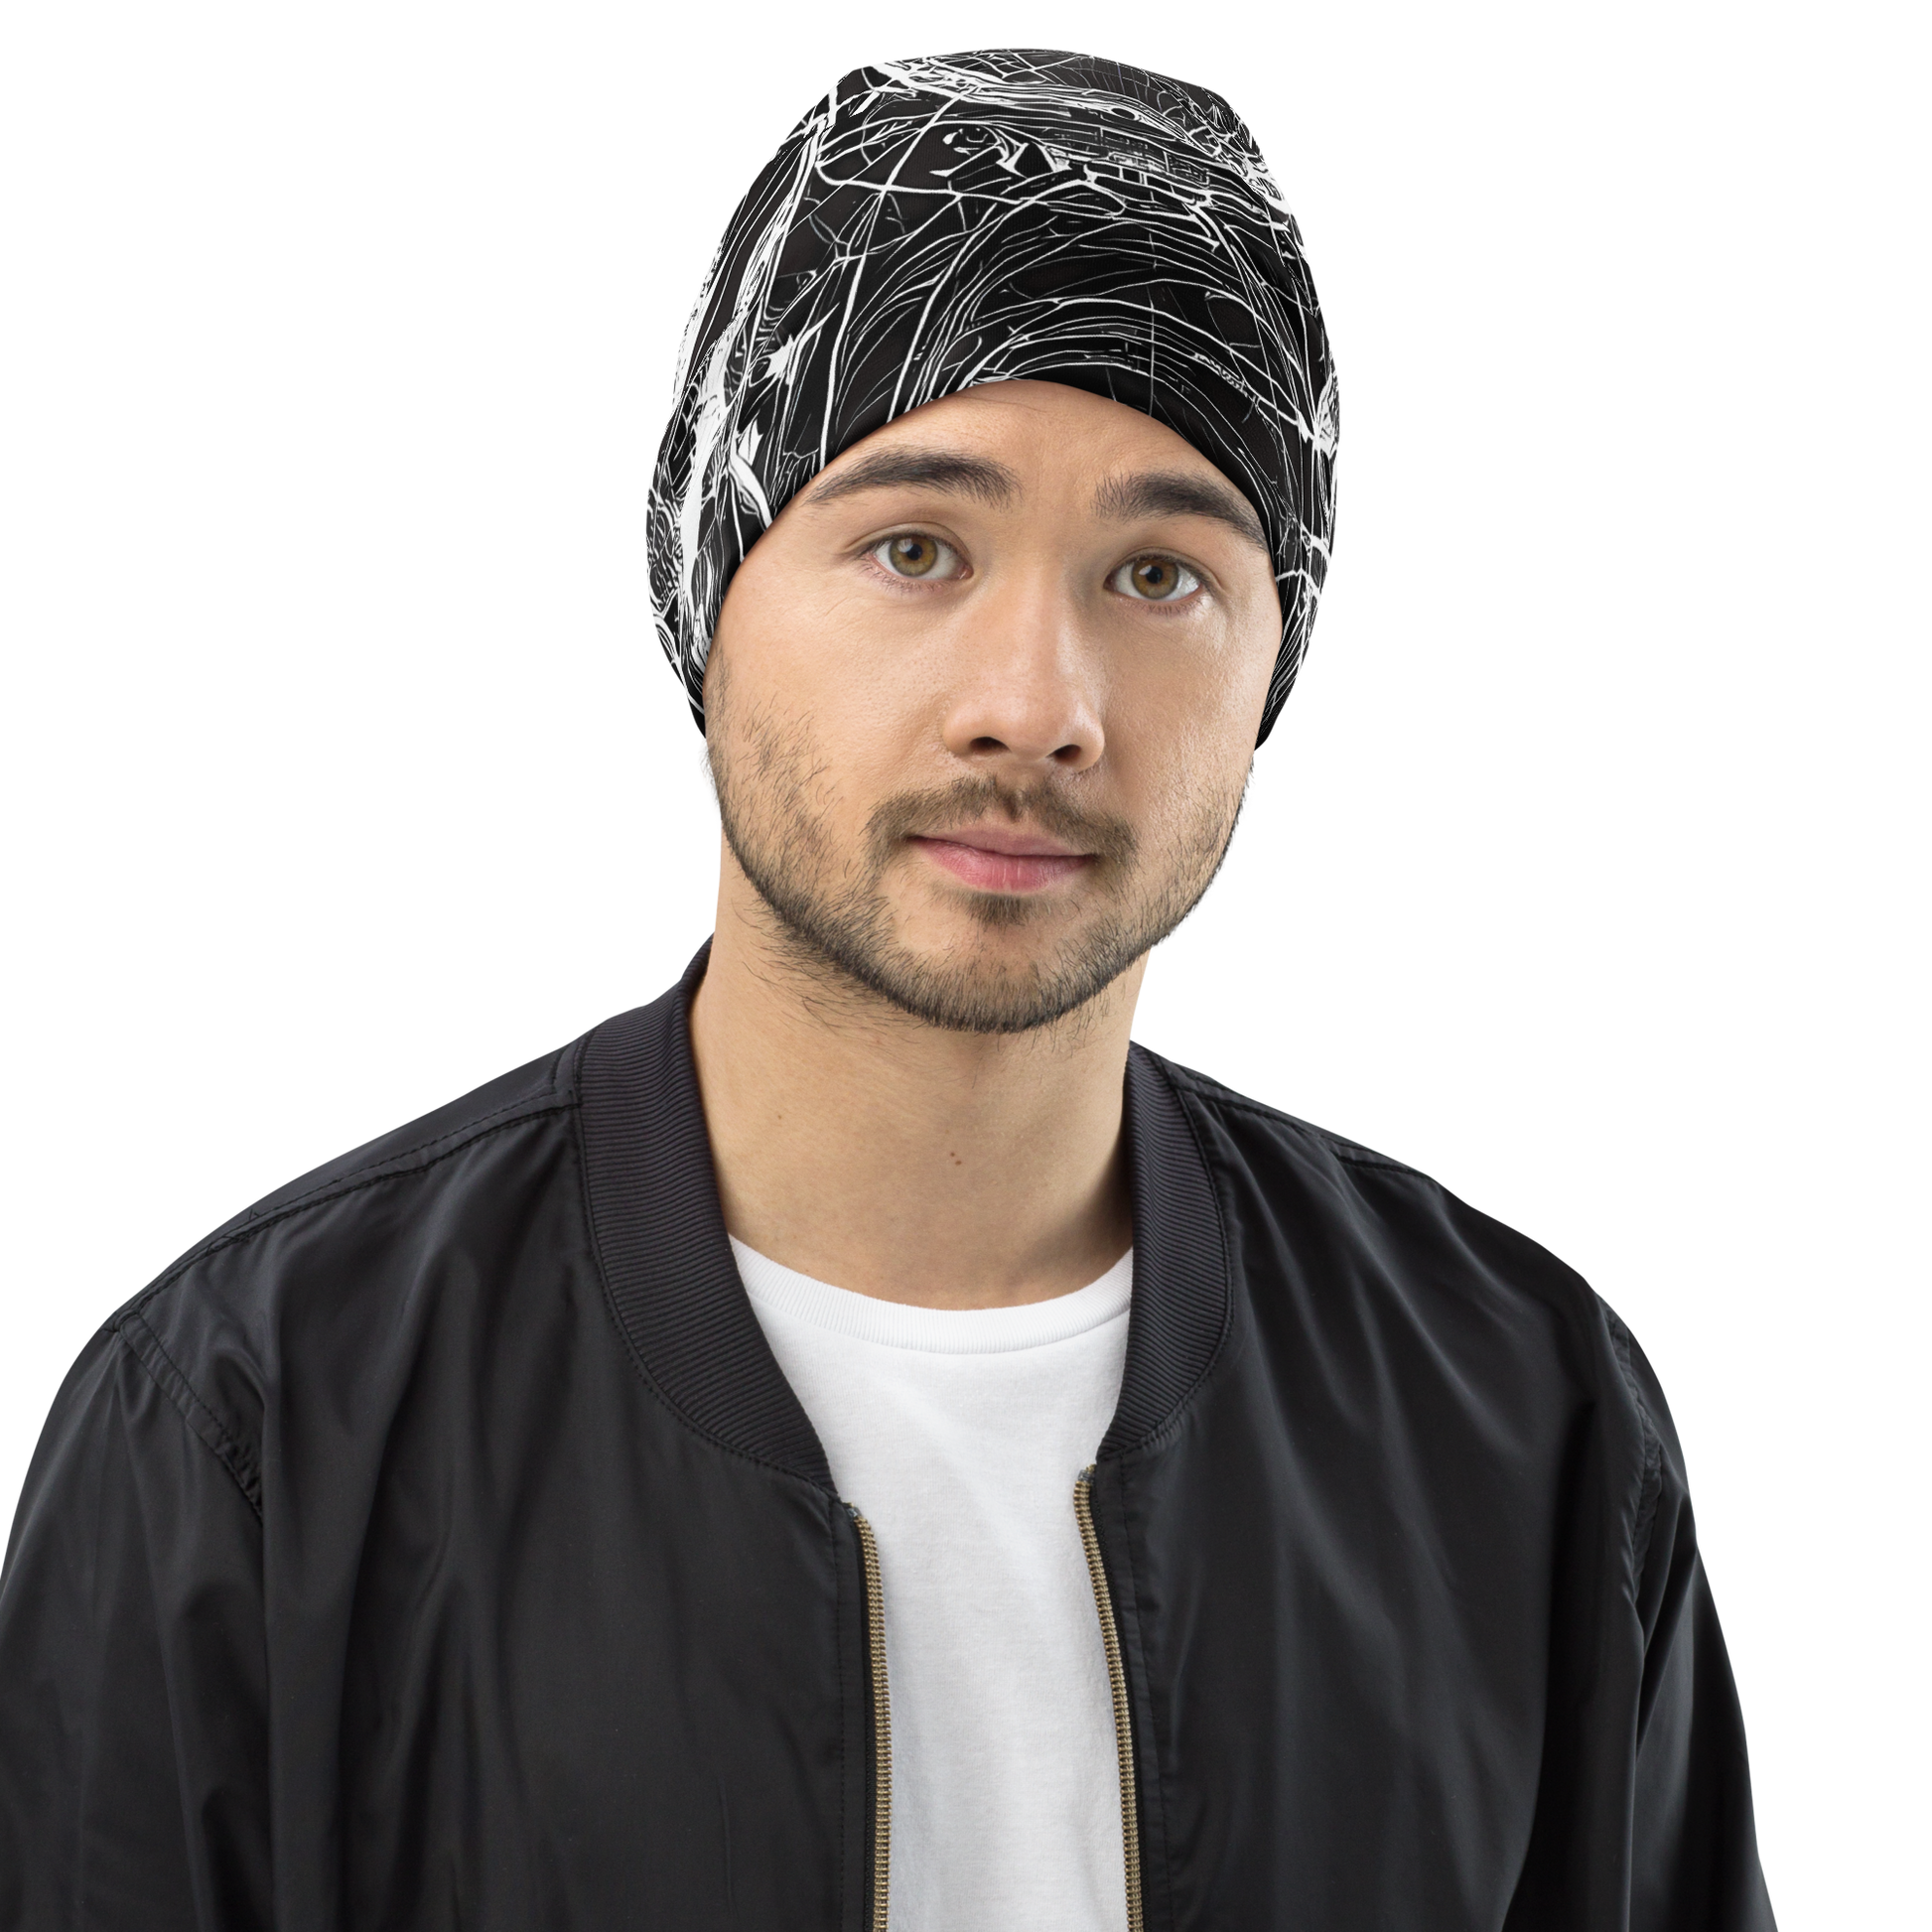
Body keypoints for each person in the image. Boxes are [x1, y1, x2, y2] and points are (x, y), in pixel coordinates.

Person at [0, 47, 1774, 1932]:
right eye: (915, 546)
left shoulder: (1523, 1413)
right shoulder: (257, 1419)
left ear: (1279, 655)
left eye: (1158, 574)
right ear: (705, 590)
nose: (1037, 704)